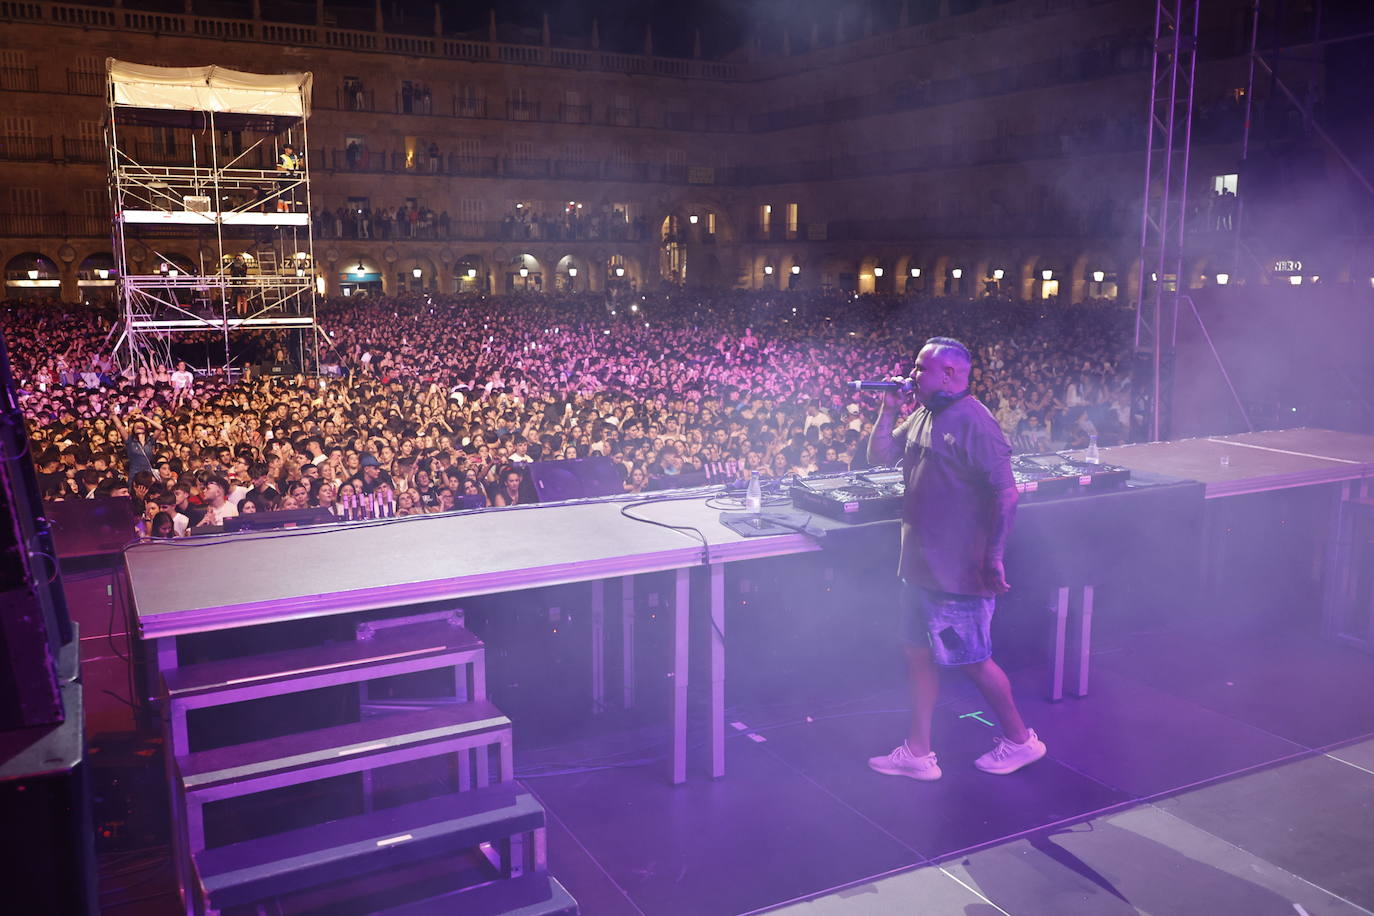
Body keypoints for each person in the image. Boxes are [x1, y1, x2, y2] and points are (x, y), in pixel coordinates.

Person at [866, 336, 1045, 781]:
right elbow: (880, 457)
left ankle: (1021, 742)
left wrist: (995, 555)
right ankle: (917, 752)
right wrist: (888, 410)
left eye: (920, 368)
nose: (911, 375)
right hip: (920, 565)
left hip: (957, 570)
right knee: (916, 654)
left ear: (950, 373)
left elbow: (1007, 493)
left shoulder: (975, 422)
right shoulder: (925, 414)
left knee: (972, 661)